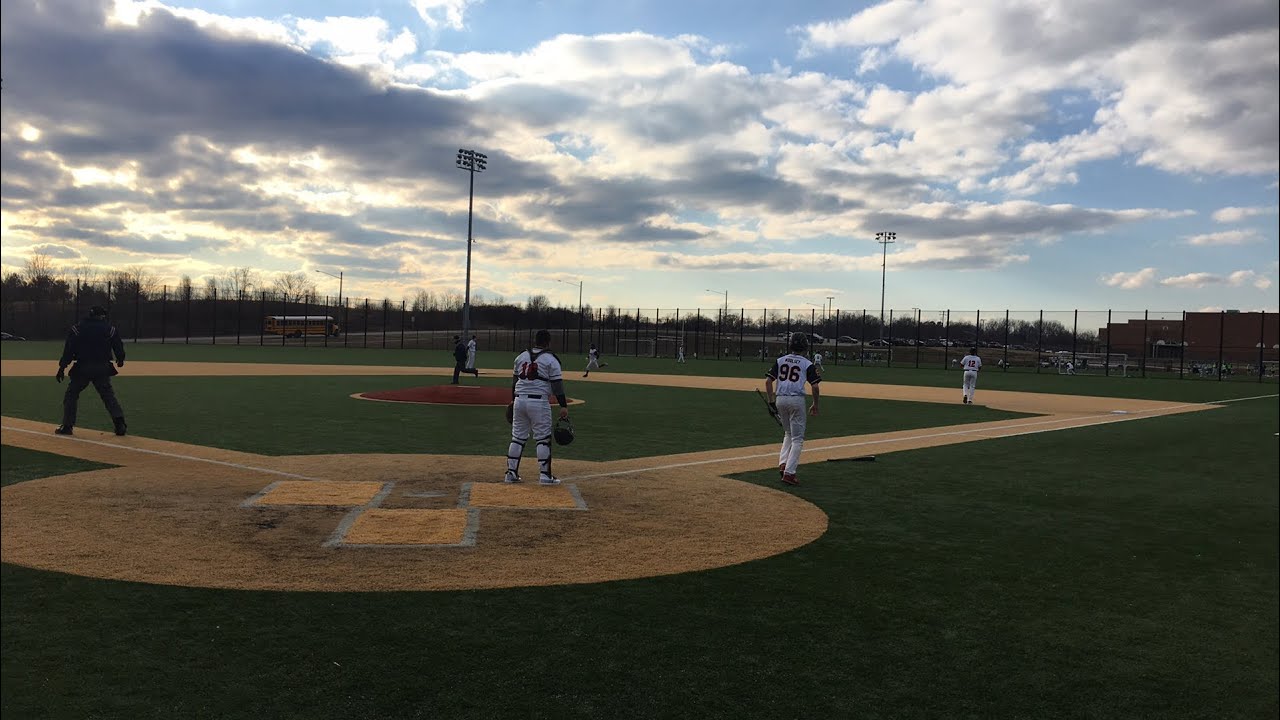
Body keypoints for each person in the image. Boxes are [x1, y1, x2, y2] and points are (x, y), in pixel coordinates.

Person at [505, 330, 570, 485]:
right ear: (548, 342)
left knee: (518, 437)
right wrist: (563, 405)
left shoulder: (521, 356)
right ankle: (545, 475)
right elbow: (557, 386)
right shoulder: (551, 359)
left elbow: (515, 382)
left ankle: (511, 473)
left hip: (519, 400)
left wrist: (513, 401)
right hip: (539, 402)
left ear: (535, 341)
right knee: (543, 438)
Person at [54, 305, 127, 436]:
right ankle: (119, 423)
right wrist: (120, 359)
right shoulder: (109, 328)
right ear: (101, 316)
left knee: (71, 395)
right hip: (102, 367)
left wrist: (62, 367)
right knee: (108, 396)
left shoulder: (77, 328)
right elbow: (118, 345)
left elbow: (69, 350)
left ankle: (67, 426)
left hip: (83, 367)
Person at [765, 332, 821, 487]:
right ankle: (789, 473)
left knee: (788, 433)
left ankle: (783, 464)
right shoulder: (807, 363)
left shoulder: (780, 360)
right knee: (798, 439)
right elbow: (815, 386)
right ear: (805, 346)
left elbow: (768, 381)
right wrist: (815, 404)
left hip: (780, 399)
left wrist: (771, 402)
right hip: (796, 400)